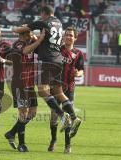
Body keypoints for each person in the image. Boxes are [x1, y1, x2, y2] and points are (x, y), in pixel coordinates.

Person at [12, 5, 81, 135]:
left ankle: (62, 116)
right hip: (59, 60)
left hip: (47, 61)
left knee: (43, 90)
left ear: (44, 13)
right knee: (58, 92)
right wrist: (37, 38)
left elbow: (23, 29)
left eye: (41, 14)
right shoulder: (59, 23)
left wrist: (14, 28)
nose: (41, 17)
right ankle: (74, 117)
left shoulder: (43, 22)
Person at [4, 30, 45, 152]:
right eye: (28, 34)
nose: (29, 36)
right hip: (19, 83)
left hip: (30, 83)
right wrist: (38, 39)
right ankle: (22, 144)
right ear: (22, 35)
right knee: (23, 113)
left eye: (30, 34)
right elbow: (26, 51)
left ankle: (11, 133)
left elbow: (41, 47)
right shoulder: (18, 44)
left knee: (32, 113)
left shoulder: (32, 42)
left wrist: (37, 38)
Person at [48, 26, 84, 154]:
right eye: (66, 34)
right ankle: (53, 140)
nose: (68, 37)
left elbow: (81, 70)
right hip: (55, 87)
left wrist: (77, 74)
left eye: (70, 35)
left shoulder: (78, 53)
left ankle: (67, 145)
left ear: (75, 37)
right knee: (53, 117)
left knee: (68, 117)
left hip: (69, 89)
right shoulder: (57, 50)